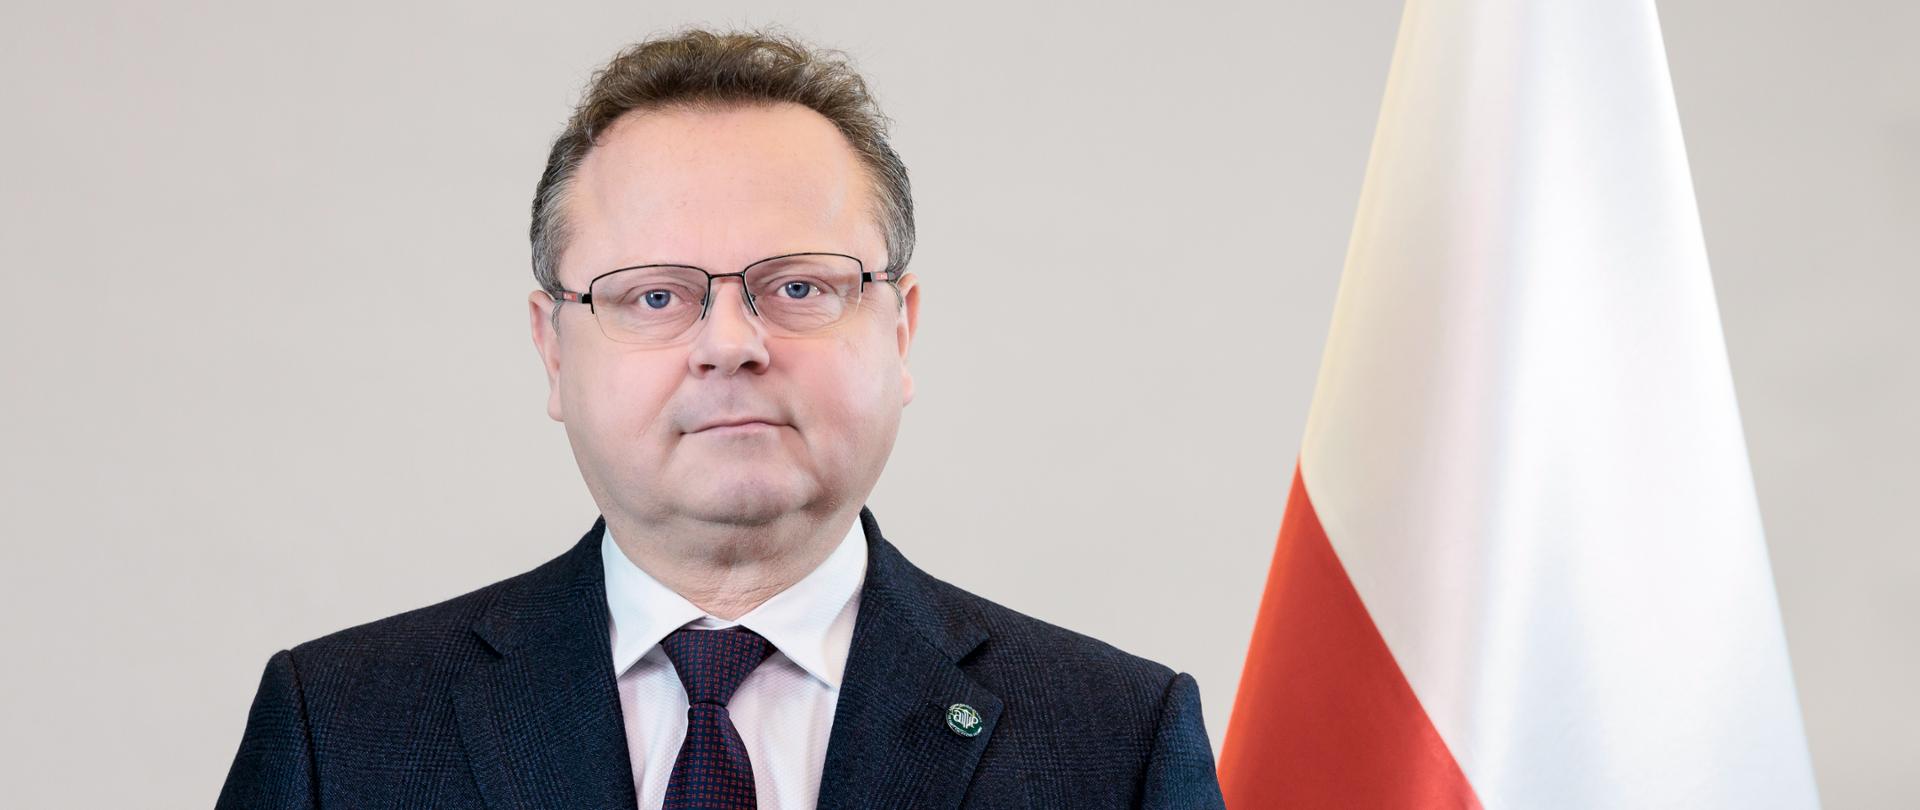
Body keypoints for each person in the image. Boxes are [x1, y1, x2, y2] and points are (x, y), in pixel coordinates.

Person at [215, 27, 1225, 810]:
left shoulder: (1115, 740)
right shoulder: (341, 730)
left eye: (799, 287)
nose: (730, 343)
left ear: (901, 330)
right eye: (655, 295)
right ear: (553, 349)